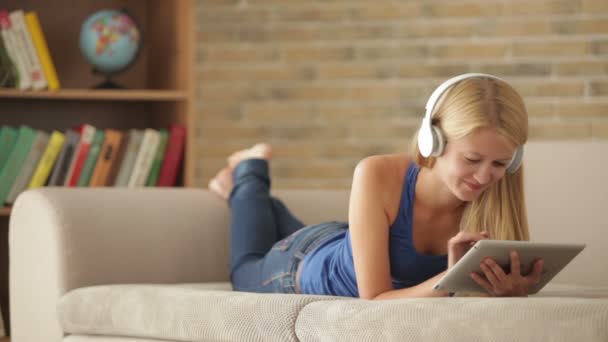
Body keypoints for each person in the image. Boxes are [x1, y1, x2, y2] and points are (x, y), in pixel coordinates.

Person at [208, 73, 544, 299]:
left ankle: (247, 195)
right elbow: (375, 302)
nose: (485, 176)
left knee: (277, 223)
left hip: (343, 239)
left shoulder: (495, 199)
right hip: (299, 265)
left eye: (500, 163)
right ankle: (250, 169)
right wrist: (451, 279)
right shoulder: (377, 173)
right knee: (244, 271)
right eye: (472, 160)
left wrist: (510, 290)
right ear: (433, 141)